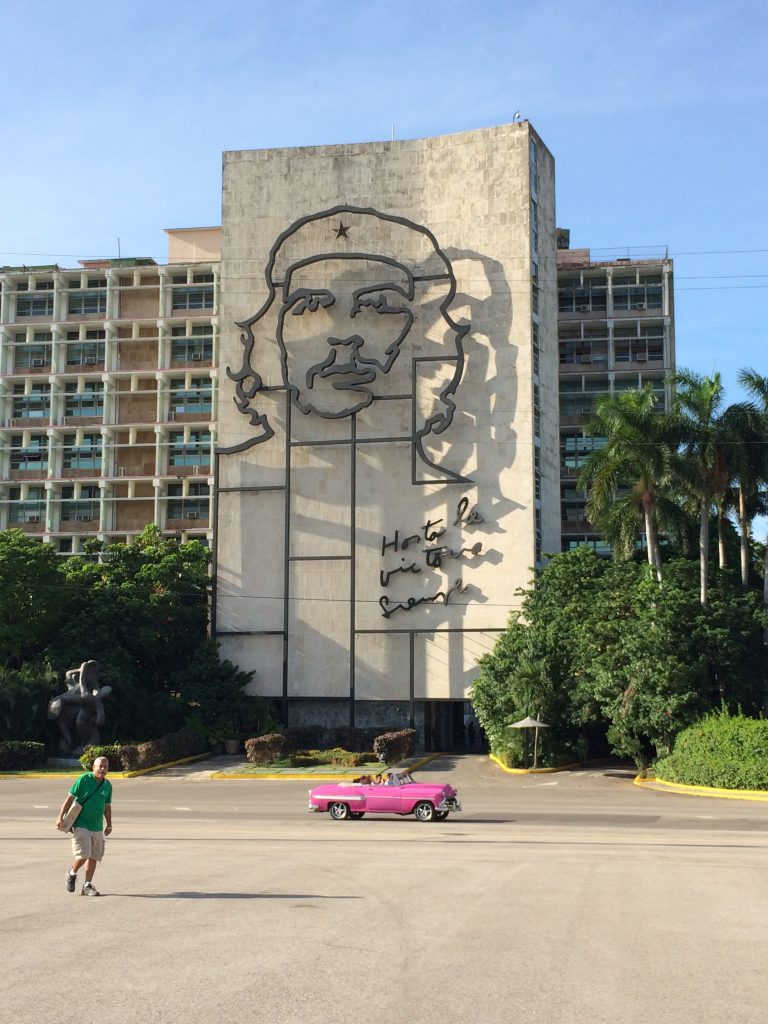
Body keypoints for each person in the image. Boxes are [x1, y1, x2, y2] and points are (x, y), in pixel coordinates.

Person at [56, 756, 113, 896]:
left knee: (94, 856)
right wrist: (60, 817)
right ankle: (72, 873)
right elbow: (69, 798)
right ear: (93, 767)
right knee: (83, 855)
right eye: (100, 766)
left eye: (105, 766)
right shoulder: (84, 779)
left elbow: (107, 806)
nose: (103, 769)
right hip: (81, 824)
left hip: (97, 826)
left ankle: (87, 885)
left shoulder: (107, 785)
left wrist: (109, 824)